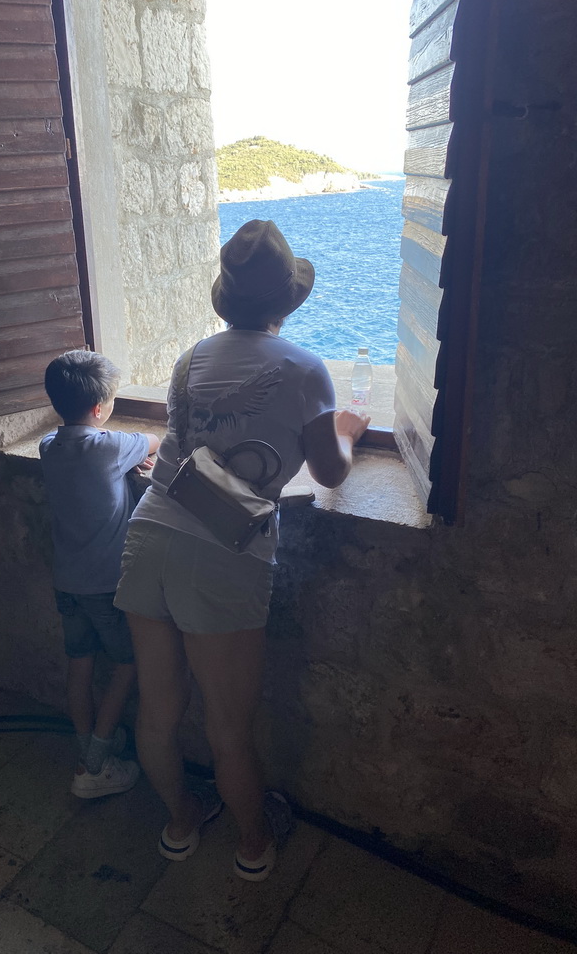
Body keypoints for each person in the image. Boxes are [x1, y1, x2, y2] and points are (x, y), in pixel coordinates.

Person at [114, 220, 370, 879]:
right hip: (220, 556)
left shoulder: (191, 358)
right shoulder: (306, 369)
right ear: (286, 303)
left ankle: (179, 822)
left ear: (225, 298)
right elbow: (331, 473)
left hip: (149, 532)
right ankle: (254, 844)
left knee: (159, 707)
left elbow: (181, 441)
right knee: (229, 728)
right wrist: (348, 428)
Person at [40, 350, 160, 798]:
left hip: (66, 583)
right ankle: (95, 762)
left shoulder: (48, 446)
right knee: (128, 665)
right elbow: (152, 441)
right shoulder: (110, 447)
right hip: (105, 586)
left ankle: (85, 743)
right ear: (100, 407)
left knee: (81, 663)